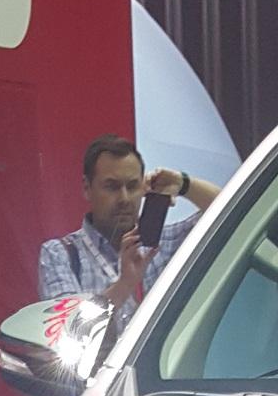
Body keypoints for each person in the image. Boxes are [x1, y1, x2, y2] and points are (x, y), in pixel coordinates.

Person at [38, 137, 219, 334]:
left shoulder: (164, 243)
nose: (124, 198)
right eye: (112, 186)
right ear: (87, 188)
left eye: (132, 186)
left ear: (143, 188)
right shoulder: (61, 254)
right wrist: (125, 284)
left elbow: (232, 211)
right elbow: (65, 331)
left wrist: (183, 184)